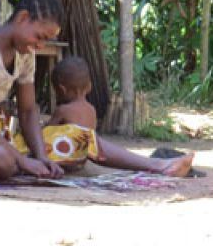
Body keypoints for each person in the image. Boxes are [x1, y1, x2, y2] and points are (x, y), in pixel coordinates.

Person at [0, 0, 194, 179]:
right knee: (1, 160)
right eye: (39, 36)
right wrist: (22, 158)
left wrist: (42, 156)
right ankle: (17, 164)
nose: (40, 44)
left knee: (78, 135)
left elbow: (28, 110)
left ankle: (158, 166)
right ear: (22, 18)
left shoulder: (26, 55)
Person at [44, 55, 194, 176]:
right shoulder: (91, 109)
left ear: (61, 90)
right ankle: (161, 164)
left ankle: (160, 165)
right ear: (89, 86)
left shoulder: (62, 110)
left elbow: (46, 134)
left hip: (69, 157)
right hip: (86, 158)